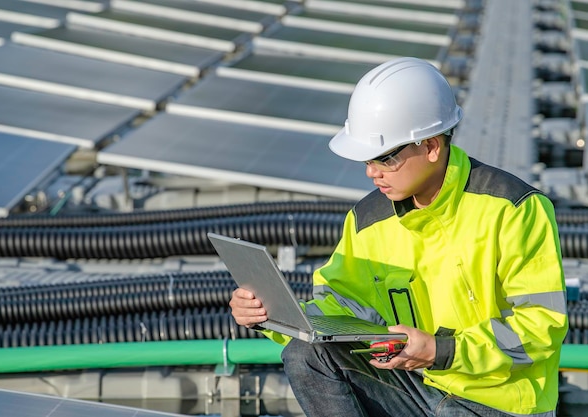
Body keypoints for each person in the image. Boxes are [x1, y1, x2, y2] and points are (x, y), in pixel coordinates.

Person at [229, 57, 568, 417]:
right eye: (366, 160)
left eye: (384, 158)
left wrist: (442, 351)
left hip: (497, 404)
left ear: (432, 147)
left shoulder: (513, 209)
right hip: (420, 387)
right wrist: (273, 316)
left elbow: (540, 326)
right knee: (306, 354)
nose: (372, 173)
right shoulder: (367, 221)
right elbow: (338, 309)